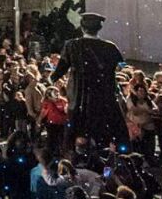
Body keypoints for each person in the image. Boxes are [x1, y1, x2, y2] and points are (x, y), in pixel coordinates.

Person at [50, 11, 126, 149]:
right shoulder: (110, 47)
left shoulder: (72, 46)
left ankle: (75, 160)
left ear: (82, 28)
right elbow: (121, 67)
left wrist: (52, 79)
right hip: (104, 99)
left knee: (75, 135)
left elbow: (59, 71)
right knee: (110, 134)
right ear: (99, 28)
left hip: (80, 100)